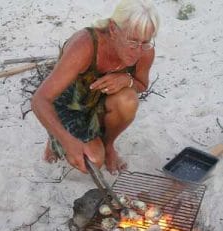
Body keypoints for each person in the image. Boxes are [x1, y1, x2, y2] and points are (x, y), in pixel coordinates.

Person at [32, 0, 159, 174]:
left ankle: (108, 146)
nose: (138, 51)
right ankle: (55, 136)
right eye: (132, 41)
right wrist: (68, 141)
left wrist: (126, 80)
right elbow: (40, 99)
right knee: (93, 161)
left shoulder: (145, 51)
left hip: (98, 102)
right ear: (113, 29)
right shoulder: (85, 45)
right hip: (68, 105)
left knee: (128, 100)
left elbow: (141, 84)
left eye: (145, 42)